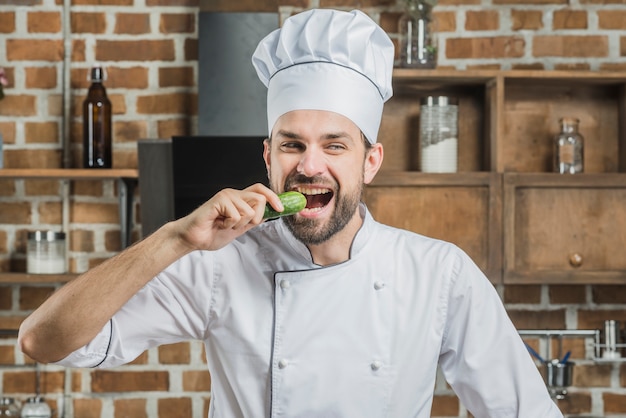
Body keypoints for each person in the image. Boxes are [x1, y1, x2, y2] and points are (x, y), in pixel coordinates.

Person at [19, 8, 563, 418]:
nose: (310, 166)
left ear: (370, 162)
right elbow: (42, 341)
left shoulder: (438, 273)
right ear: (268, 156)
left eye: (334, 145)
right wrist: (173, 239)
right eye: (292, 145)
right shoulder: (217, 263)